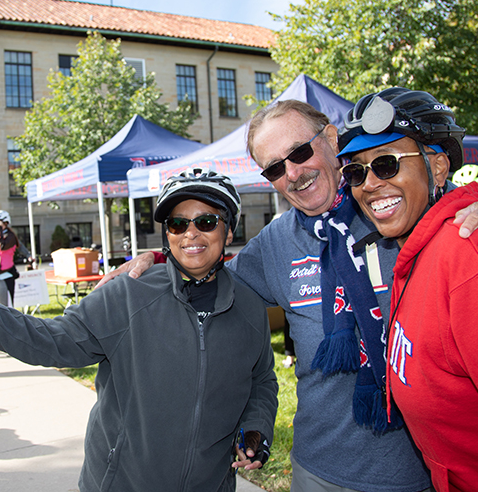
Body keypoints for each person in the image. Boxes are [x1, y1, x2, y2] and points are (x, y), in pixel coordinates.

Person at [98, 99, 478, 492]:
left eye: (299, 152)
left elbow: (445, 196)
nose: (293, 174)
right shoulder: (276, 244)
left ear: (330, 139)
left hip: (418, 474)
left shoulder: (400, 206)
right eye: (276, 168)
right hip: (318, 469)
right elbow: (213, 278)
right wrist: (163, 256)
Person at [0, 169, 278, 492]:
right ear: (166, 233)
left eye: (207, 221)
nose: (191, 234)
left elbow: (261, 380)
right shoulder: (128, 294)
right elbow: (50, 342)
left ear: (229, 229)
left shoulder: (247, 306)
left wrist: (257, 427)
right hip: (121, 483)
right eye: (177, 224)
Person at [336, 87, 476, 491]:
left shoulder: (464, 255)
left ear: (437, 166)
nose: (369, 185)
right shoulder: (417, 252)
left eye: (386, 164)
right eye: (356, 172)